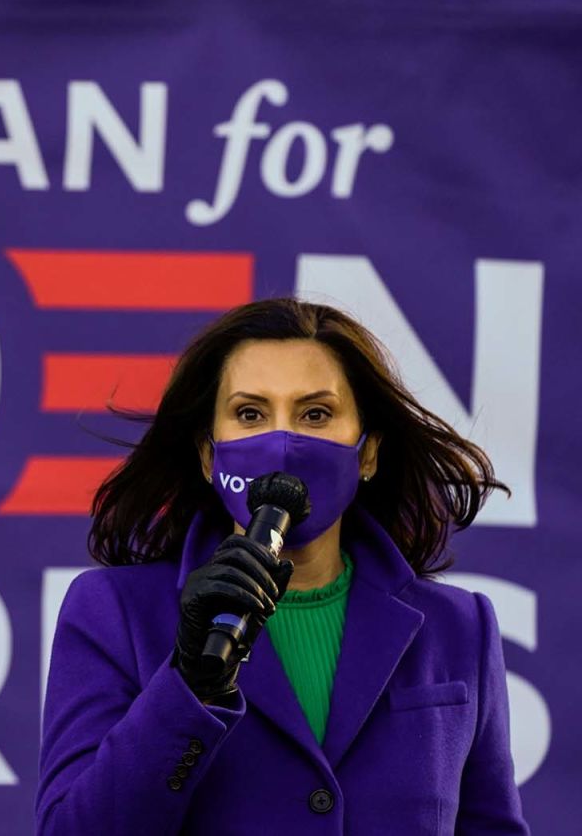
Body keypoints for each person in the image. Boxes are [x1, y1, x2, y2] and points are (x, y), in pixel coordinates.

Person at [36, 298, 529, 835]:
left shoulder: (459, 628)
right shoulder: (113, 612)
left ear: (367, 454)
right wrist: (189, 688)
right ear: (209, 454)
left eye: (315, 414)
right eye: (250, 414)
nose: (283, 443)